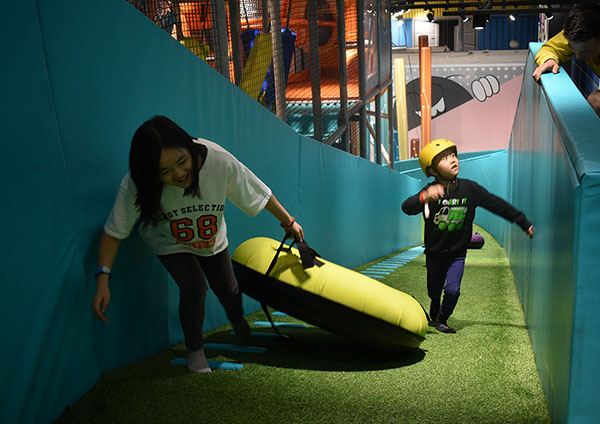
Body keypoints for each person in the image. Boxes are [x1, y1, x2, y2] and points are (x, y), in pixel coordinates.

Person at [91, 115, 303, 373]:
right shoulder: (136, 183)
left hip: (212, 239)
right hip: (169, 241)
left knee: (227, 287)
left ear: (189, 147)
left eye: (182, 161)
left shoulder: (217, 160)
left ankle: (236, 319)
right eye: (164, 172)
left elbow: (259, 191)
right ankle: (195, 349)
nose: (178, 173)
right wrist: (103, 278)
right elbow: (114, 232)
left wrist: (287, 222)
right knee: (193, 287)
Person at [401, 139, 534, 334]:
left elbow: (496, 204)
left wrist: (522, 221)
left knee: (453, 289)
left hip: (457, 253)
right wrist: (424, 198)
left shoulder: (470, 189)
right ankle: (435, 302)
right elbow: (407, 207)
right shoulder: (429, 192)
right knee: (433, 288)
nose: (453, 160)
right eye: (445, 159)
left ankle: (442, 319)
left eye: (453, 155)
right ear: (432, 170)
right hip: (434, 253)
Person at [532, 2, 600, 111]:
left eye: (586, 52)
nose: (578, 57)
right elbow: (550, 49)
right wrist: (549, 60)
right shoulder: (577, 35)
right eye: (573, 49)